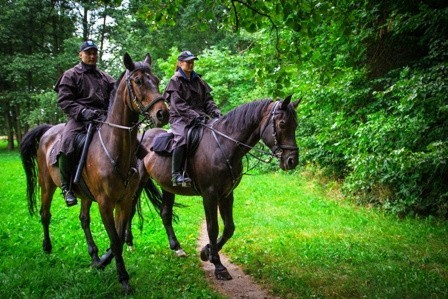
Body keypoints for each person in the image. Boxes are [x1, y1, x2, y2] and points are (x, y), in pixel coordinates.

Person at [54, 40, 115, 206]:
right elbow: (64, 100)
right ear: (80, 55)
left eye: (94, 53)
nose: (92, 56)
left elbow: (115, 97)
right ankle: (67, 188)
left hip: (102, 119)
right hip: (79, 119)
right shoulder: (70, 75)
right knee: (67, 142)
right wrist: (83, 112)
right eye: (88, 53)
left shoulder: (105, 77)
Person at [163, 50, 222, 187]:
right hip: (180, 118)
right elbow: (178, 105)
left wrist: (216, 112)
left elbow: (208, 101)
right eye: (188, 62)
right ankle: (176, 174)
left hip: (200, 117)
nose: (191, 64)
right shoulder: (174, 81)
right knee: (182, 138)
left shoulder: (199, 81)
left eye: (192, 62)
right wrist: (195, 116)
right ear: (180, 63)